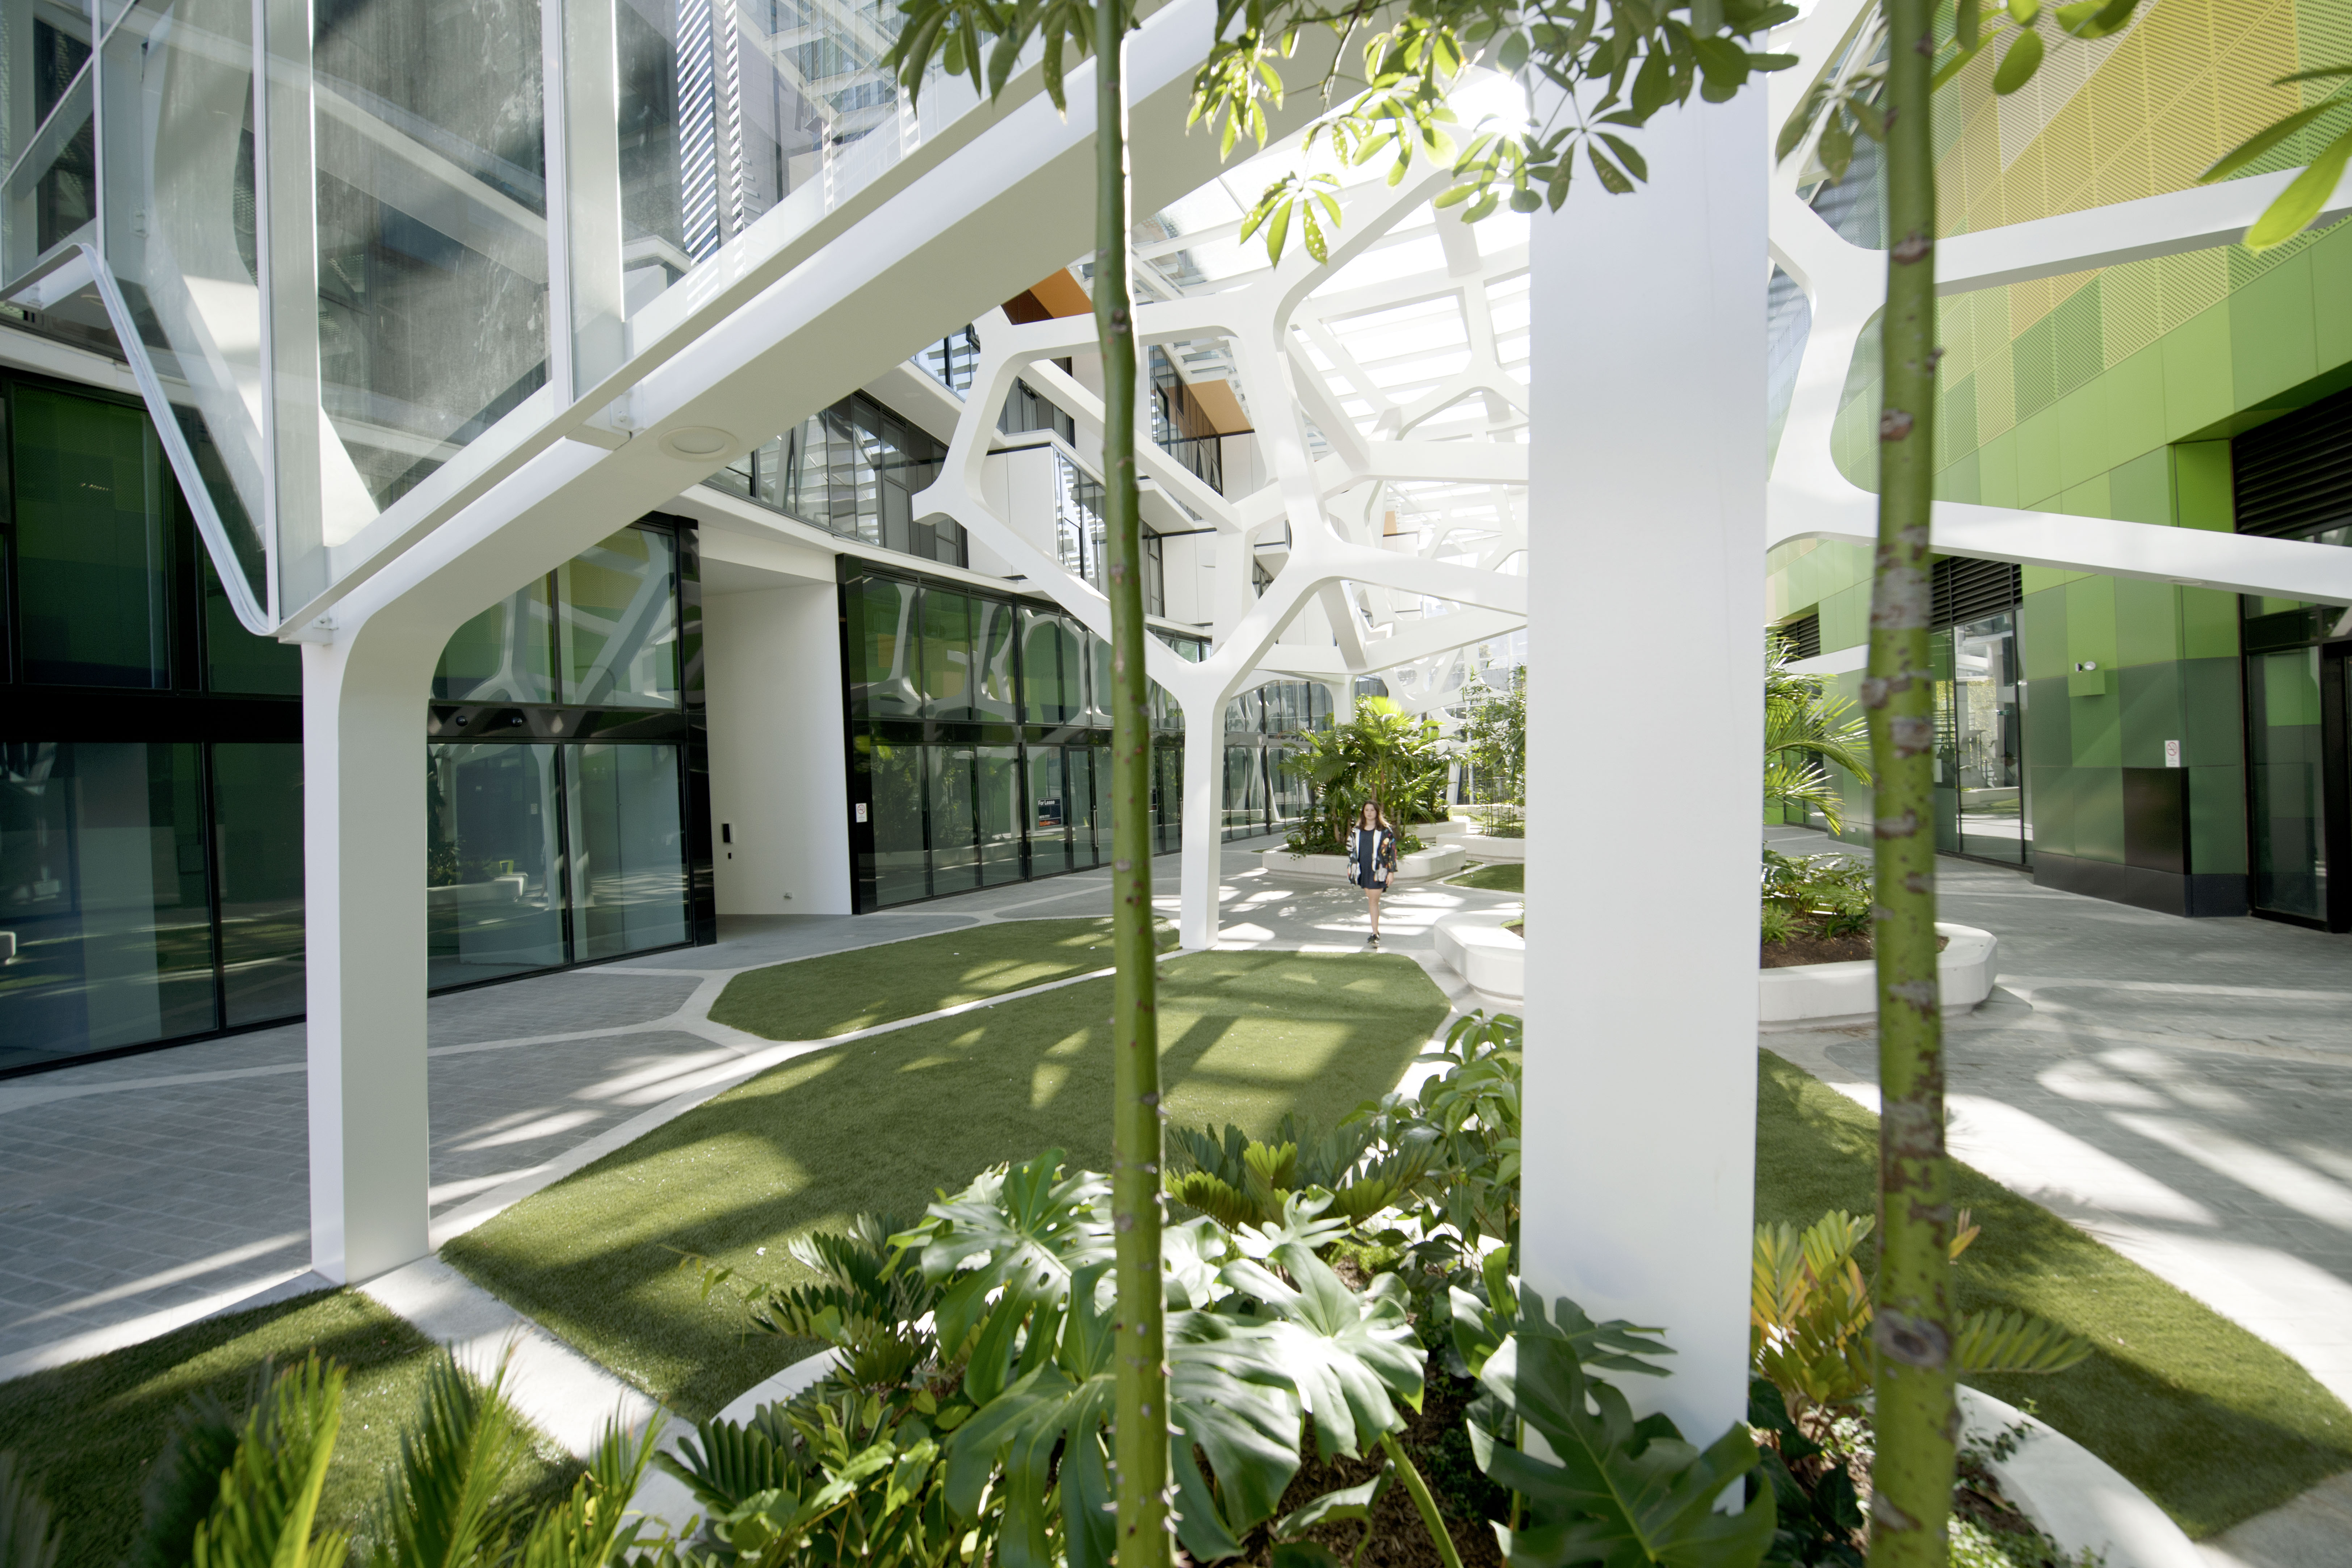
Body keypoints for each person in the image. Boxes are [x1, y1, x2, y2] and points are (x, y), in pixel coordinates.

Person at [1345, 799, 1399, 946]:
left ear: (1377, 812)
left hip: (1378, 871)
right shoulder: (1356, 830)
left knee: (1373, 901)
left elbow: (1392, 852)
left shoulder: (1385, 831)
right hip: (1363, 870)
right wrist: (1353, 867)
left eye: (1372, 810)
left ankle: (1375, 934)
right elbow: (1350, 849)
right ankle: (1375, 932)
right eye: (1367, 810)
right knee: (1371, 899)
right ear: (1363, 812)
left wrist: (1391, 872)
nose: (1369, 813)